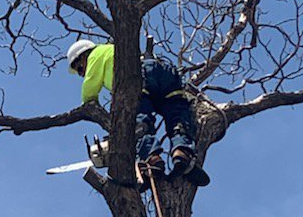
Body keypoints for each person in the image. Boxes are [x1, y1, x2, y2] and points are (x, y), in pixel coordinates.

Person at [67, 39, 209, 186]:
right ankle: (182, 153)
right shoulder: (112, 49)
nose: (81, 74)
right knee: (177, 115)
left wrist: (88, 106)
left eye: (80, 69)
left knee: (139, 122)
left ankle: (152, 159)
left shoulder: (95, 55)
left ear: (83, 56)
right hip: (164, 73)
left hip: (140, 77)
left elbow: (89, 90)